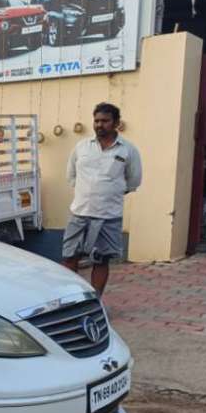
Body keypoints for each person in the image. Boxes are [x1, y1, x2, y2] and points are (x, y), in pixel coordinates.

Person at [62, 102, 142, 296]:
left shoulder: (127, 150)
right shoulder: (81, 147)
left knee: (101, 259)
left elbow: (133, 181)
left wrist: (109, 192)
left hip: (108, 216)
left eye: (105, 121)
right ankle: (71, 299)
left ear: (116, 123)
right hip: (80, 212)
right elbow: (71, 175)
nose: (99, 125)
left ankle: (95, 301)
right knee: (69, 258)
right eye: (97, 121)